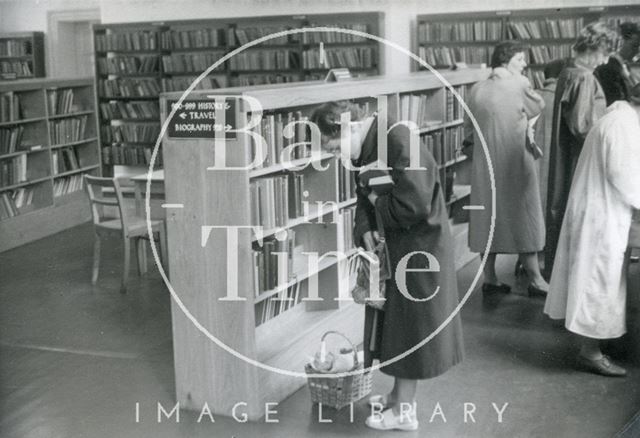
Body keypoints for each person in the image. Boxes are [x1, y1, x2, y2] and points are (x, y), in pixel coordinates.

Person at [311, 101, 464, 431]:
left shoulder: (396, 140)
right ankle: (397, 397)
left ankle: (405, 413)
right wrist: (365, 227)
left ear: (347, 126)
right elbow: (363, 193)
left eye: (336, 147)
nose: (339, 156)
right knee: (396, 325)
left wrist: (379, 206)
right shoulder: (368, 143)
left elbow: (415, 204)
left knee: (410, 329)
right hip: (397, 245)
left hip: (420, 249)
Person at [543, 83, 640, 377]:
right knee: (599, 283)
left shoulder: (620, 119)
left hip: (601, 209)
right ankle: (590, 352)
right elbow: (622, 174)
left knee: (601, 281)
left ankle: (597, 342)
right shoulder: (621, 125)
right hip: (601, 215)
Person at [464, 40, 549, 297]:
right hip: (514, 162)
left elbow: (468, 126)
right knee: (525, 216)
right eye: (521, 59)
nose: (524, 64)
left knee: (487, 219)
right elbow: (538, 106)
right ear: (507, 59)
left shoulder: (476, 88)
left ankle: (490, 278)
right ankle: (536, 279)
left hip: (485, 166)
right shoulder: (520, 84)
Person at [544, 22, 616, 277]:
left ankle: (560, 276)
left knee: (561, 207)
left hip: (567, 155)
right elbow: (582, 126)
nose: (606, 61)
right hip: (580, 158)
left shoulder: (567, 71)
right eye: (605, 53)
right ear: (593, 48)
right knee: (577, 214)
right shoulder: (583, 77)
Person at [594, 22, 640, 106]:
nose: (637, 51)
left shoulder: (624, 65)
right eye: (634, 46)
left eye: (638, 47)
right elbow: (615, 99)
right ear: (621, 42)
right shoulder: (608, 66)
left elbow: (626, 91)